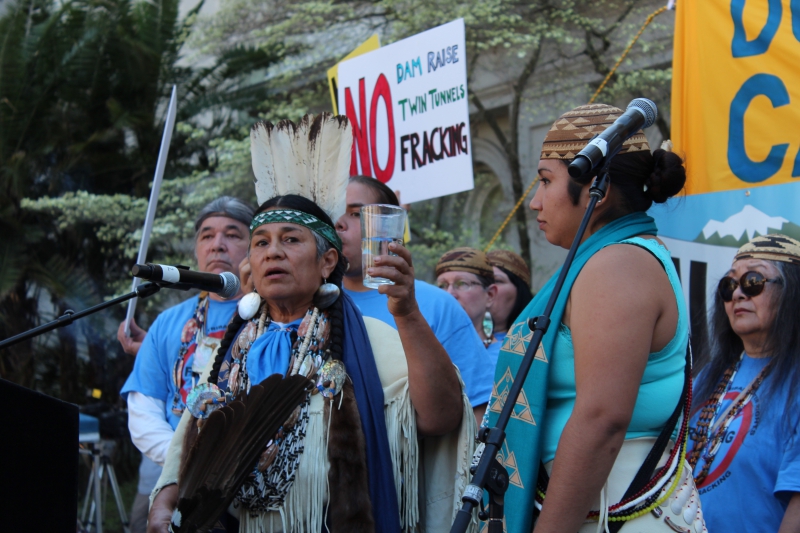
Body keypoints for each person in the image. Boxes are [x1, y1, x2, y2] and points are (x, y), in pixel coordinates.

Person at [147, 114, 475, 533]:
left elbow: (439, 418)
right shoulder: (232, 351)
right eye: (261, 242)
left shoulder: (373, 339)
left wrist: (407, 312)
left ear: (327, 261)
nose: (273, 252)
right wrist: (163, 505)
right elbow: (190, 439)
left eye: (291, 239)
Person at [487, 103, 706, 533]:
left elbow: (601, 421)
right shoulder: (612, 259)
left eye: (545, 180)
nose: (534, 202)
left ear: (596, 193)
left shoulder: (617, 264)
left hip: (611, 515)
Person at [336, 176, 494, 420]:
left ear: (388, 227)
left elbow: (478, 410)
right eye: (333, 213)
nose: (338, 223)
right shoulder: (310, 304)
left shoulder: (438, 305)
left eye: (356, 214)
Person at [119, 196, 253, 468]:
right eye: (207, 236)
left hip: (245, 467)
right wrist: (182, 461)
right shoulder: (167, 322)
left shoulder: (274, 315)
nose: (217, 245)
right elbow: (144, 410)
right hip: (174, 468)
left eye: (232, 235)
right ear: (196, 250)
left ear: (254, 249)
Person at [687, 234, 800, 532]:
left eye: (753, 281)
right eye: (729, 285)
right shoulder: (707, 377)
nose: (737, 294)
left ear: (793, 292)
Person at [435, 247, 500, 362]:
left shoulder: (505, 357)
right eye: (442, 285)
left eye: (462, 284)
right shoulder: (424, 352)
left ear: (490, 295)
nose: (449, 294)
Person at [485, 249, 533, 358]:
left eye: (497, 281)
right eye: (483, 282)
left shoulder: (535, 342)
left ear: (520, 291)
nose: (488, 289)